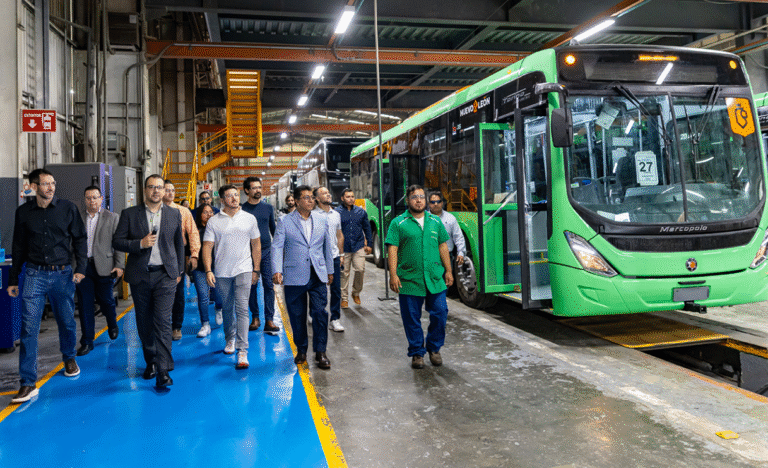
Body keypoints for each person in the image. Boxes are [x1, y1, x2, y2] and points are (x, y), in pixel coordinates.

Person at [7, 169, 87, 403]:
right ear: (33, 186)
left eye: (53, 183)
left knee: (66, 322)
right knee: (28, 328)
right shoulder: (23, 213)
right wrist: (13, 279)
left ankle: (69, 357)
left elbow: (80, 239)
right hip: (34, 274)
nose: (51, 187)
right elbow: (18, 246)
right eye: (45, 184)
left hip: (62, 275)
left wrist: (81, 268)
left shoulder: (67, 209)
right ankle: (28, 382)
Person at [113, 174, 184, 388]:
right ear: (145, 190)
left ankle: (163, 369)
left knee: (162, 321)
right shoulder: (130, 214)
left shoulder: (173, 214)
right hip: (140, 275)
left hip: (165, 274)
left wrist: (179, 270)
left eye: (159, 187)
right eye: (151, 187)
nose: (155, 191)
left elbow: (178, 243)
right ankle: (151, 361)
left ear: (164, 191)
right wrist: (139, 244)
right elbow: (117, 241)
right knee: (144, 321)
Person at [386, 185, 453, 369]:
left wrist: (448, 270)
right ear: (408, 200)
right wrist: (393, 275)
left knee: (440, 313)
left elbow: (442, 246)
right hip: (409, 279)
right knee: (411, 318)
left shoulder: (435, 222)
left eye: (422, 197)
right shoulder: (398, 223)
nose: (419, 200)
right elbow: (393, 249)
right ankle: (417, 352)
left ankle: (434, 348)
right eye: (414, 197)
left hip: (434, 278)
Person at [272, 185, 334, 370]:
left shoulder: (322, 219)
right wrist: (277, 270)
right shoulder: (284, 221)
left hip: (317, 273)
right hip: (294, 275)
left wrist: (330, 270)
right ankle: (301, 349)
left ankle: (321, 351)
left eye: (312, 198)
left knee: (320, 313)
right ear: (297, 201)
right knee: (297, 315)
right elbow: (277, 247)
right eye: (306, 198)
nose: (311, 200)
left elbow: (327, 246)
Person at [202, 185, 261, 369]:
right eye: (230, 196)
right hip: (222, 271)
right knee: (227, 308)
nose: (235, 198)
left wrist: (255, 269)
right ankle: (230, 339)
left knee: (242, 308)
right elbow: (207, 247)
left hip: (244, 268)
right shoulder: (214, 221)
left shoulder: (249, 218)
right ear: (222, 200)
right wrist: (208, 270)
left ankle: (242, 350)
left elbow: (256, 245)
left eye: (236, 195)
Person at [75, 186, 125, 356]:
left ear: (101, 199)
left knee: (107, 301)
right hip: (83, 267)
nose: (92, 201)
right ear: (85, 200)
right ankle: (87, 341)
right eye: (88, 198)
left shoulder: (112, 218)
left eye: (95, 197)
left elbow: (118, 243)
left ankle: (112, 323)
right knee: (85, 304)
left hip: (105, 265)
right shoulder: (77, 218)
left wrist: (120, 265)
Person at [163, 180, 201, 341]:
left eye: (172, 190)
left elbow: (193, 233)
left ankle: (176, 326)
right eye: (167, 190)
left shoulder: (183, 211)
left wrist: (194, 254)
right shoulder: (154, 210)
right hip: (159, 255)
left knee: (178, 292)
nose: (170, 193)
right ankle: (162, 325)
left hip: (177, 254)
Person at [241, 176, 279, 335]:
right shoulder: (242, 209)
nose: (258, 190)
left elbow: (273, 231)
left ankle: (269, 320)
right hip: (248, 254)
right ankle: (255, 317)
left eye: (259, 187)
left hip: (267, 251)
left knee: (269, 286)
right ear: (247, 191)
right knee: (251, 286)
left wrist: (278, 252)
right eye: (254, 188)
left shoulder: (268, 208)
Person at [313, 186, 345, 332]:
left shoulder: (335, 214)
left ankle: (335, 319)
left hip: (334, 256)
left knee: (336, 289)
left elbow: (339, 235)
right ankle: (313, 313)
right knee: (316, 289)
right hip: (318, 258)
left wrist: (341, 254)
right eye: (324, 193)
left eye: (328, 192)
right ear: (317, 199)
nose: (328, 195)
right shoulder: (312, 215)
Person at [336, 188, 372, 309]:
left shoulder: (361, 212)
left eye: (352, 196)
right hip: (343, 248)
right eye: (348, 197)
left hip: (358, 245)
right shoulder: (337, 212)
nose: (351, 199)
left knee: (360, 269)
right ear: (342, 198)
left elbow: (367, 228)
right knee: (344, 274)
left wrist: (370, 244)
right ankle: (344, 298)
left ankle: (355, 293)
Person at [428, 191, 466, 268]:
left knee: (447, 279)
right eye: (433, 202)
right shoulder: (423, 219)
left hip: (447, 258)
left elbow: (458, 237)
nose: (436, 204)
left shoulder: (450, 218)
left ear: (442, 203)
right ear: (428, 204)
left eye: (438, 201)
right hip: (428, 258)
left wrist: (461, 253)